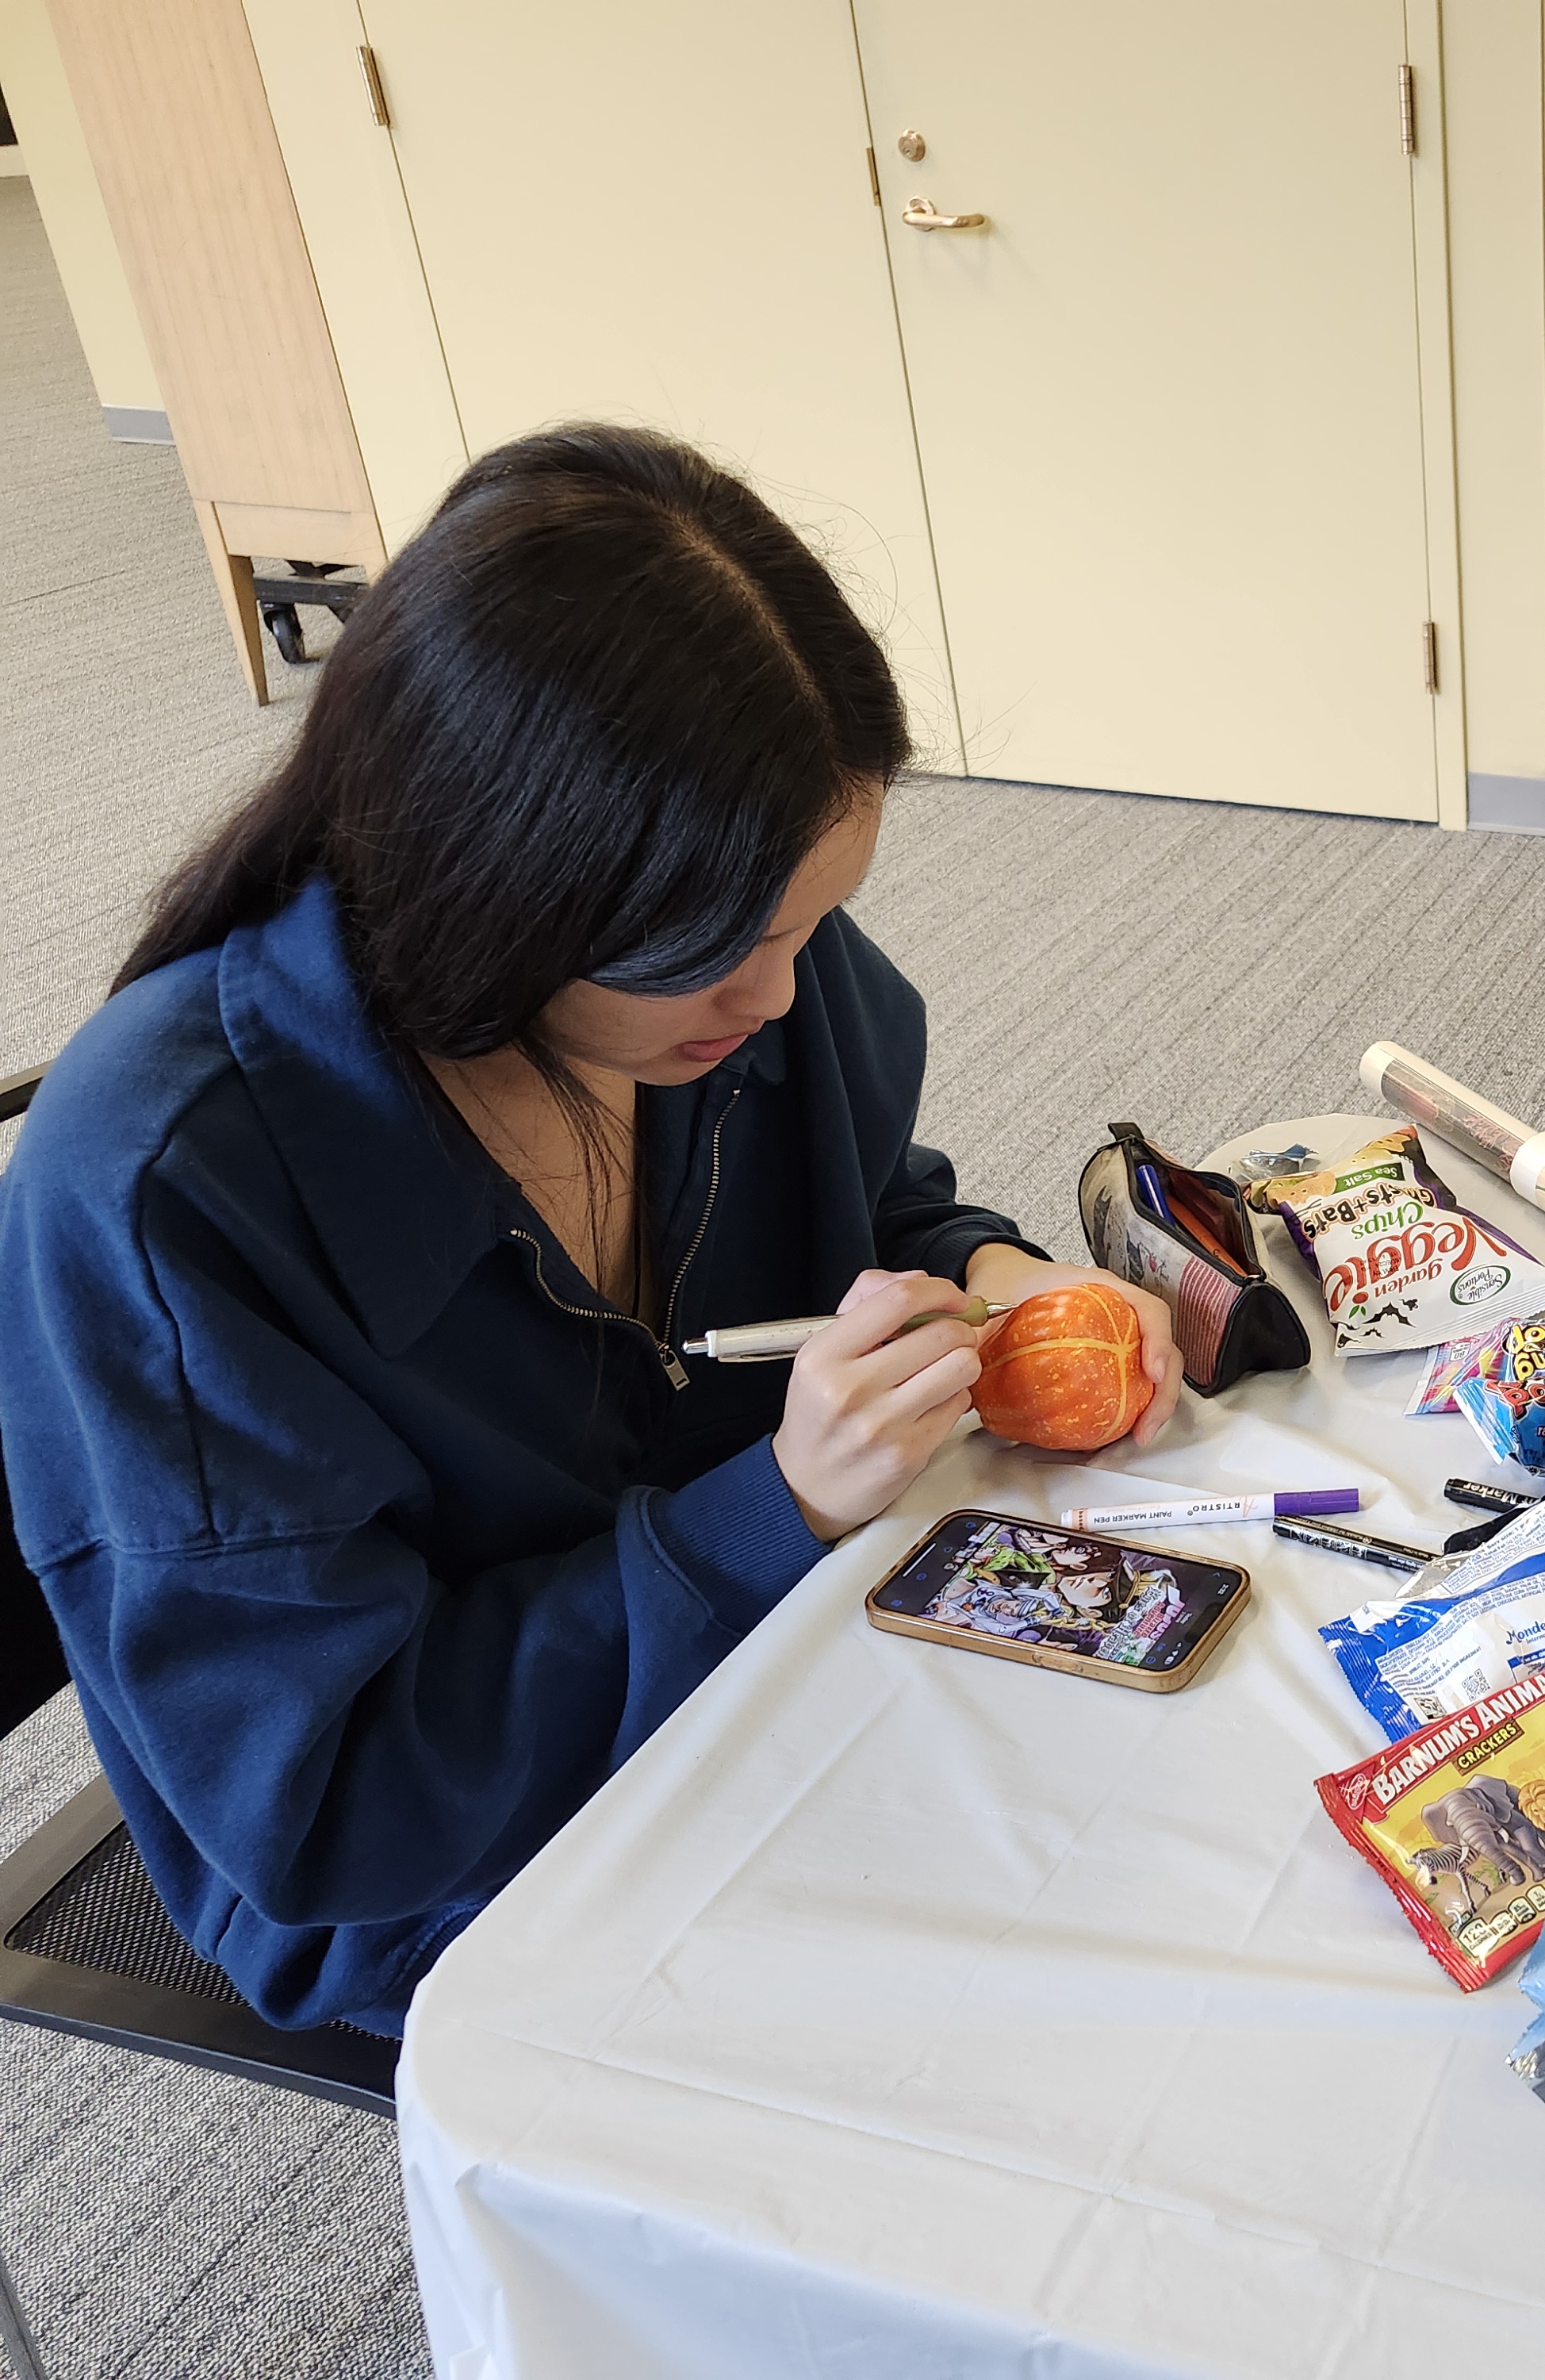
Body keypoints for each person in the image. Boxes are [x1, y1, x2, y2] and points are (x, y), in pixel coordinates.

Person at [0, 427, 1177, 2034]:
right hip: (445, 1867)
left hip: (769, 1643)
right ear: (498, 880)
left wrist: (987, 1268)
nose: (773, 1001)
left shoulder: (713, 966)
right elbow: (330, 1806)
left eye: (809, 924)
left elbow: (864, 1197)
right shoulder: (173, 1191)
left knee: (1184, 1803)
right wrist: (765, 1514)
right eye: (713, 952)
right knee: (1028, 2029)